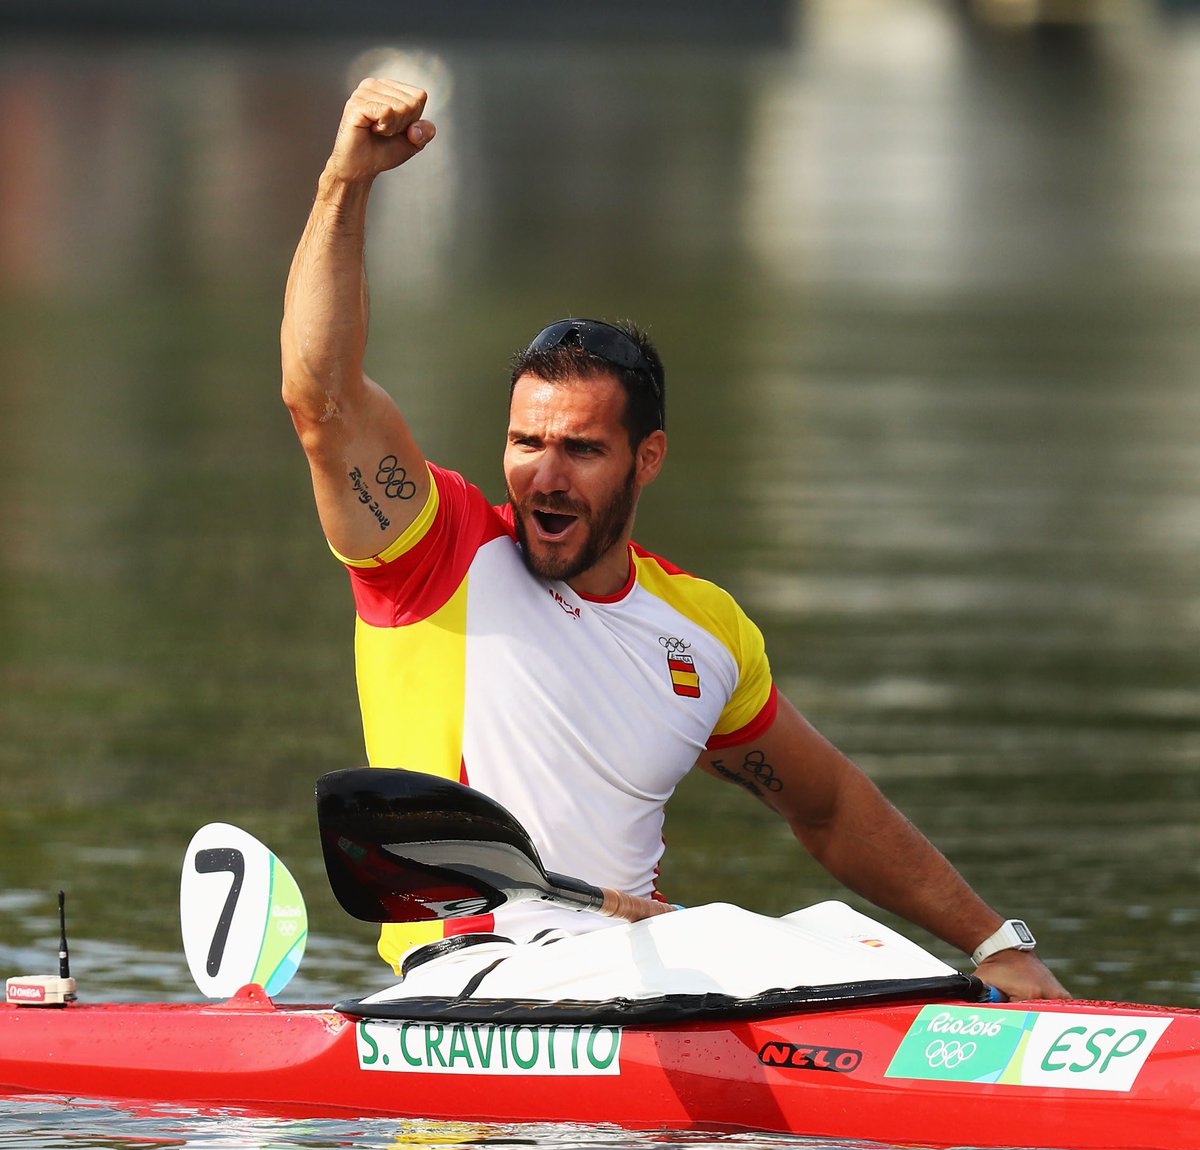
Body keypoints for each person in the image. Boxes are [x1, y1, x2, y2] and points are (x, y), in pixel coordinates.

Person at [280, 78, 1069, 1002]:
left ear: (646, 459)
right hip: (472, 979)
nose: (544, 474)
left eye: (581, 449)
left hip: (647, 979)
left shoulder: (704, 632)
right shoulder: (436, 557)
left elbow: (829, 805)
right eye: (526, 442)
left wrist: (995, 944)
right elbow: (321, 400)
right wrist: (345, 184)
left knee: (847, 943)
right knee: (768, 946)